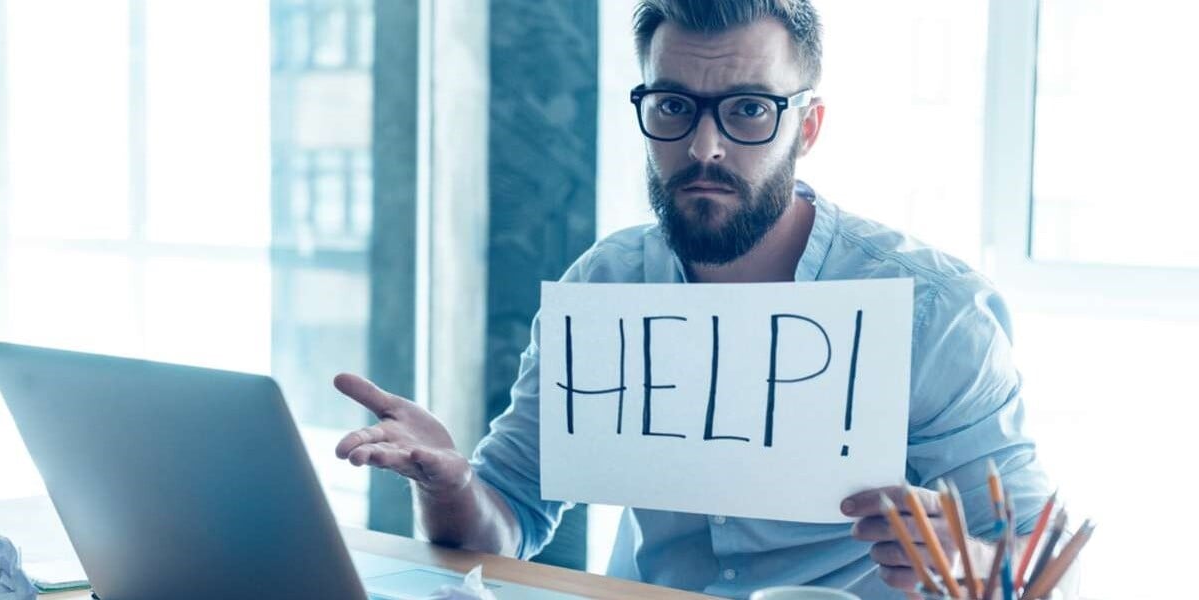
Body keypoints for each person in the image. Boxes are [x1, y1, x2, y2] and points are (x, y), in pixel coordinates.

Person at [333, 1, 1053, 597]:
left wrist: (972, 567)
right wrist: (453, 482)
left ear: (807, 127)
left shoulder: (934, 311)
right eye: (674, 105)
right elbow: (505, 521)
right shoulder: (606, 286)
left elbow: (1048, 565)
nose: (704, 146)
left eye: (747, 110)